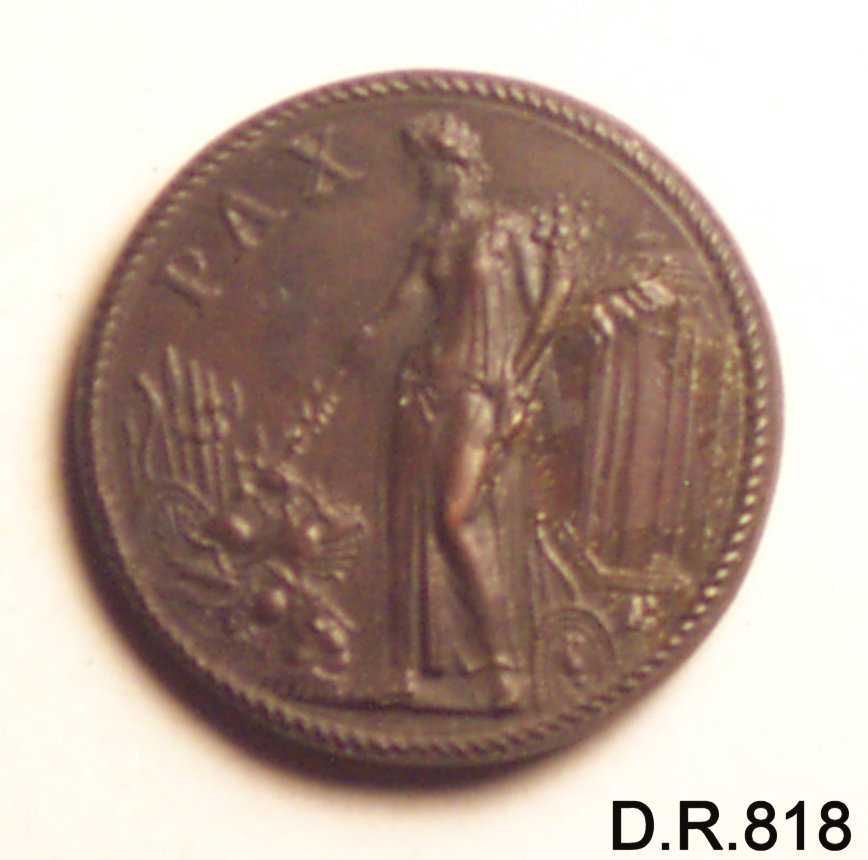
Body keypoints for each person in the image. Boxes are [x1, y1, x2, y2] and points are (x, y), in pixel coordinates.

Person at [364, 112, 576, 712]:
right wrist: (367, 337)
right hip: (427, 385)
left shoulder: (506, 231)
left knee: (455, 517)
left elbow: (552, 299)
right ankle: (409, 672)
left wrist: (518, 373)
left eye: (427, 168)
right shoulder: (434, 237)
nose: (421, 179)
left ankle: (505, 669)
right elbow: (408, 297)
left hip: (481, 389)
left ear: (453, 167)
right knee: (412, 523)